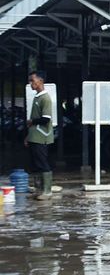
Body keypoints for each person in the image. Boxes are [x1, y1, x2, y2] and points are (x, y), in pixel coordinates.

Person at [25, 71, 57, 199]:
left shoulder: (45, 98)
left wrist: (32, 121)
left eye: (32, 81)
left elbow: (46, 119)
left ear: (40, 81)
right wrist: (28, 136)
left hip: (42, 136)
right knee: (35, 164)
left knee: (42, 163)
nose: (31, 83)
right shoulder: (37, 97)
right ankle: (39, 188)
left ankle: (47, 191)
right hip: (34, 136)